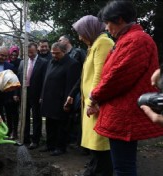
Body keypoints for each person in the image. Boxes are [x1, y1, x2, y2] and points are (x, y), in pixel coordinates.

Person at [88, 1, 163, 175]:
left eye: (108, 23)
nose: (107, 28)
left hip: (124, 114)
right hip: (122, 112)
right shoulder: (128, 40)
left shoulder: (136, 41)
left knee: (123, 168)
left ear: (119, 19)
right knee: (122, 165)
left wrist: (95, 96)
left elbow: (117, 77)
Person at [72, 15, 114, 176]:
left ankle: (98, 172)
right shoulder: (96, 44)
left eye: (81, 32)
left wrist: (93, 100)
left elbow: (99, 75)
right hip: (92, 102)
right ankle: (93, 169)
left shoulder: (103, 43)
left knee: (100, 143)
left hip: (97, 103)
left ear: (89, 30)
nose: (79, 37)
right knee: (95, 144)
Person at [40, 42, 81, 156]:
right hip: (49, 99)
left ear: (64, 52)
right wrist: (42, 96)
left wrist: (67, 102)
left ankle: (60, 147)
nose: (54, 55)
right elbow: (46, 81)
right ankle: (50, 144)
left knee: (61, 125)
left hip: (61, 100)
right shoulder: (51, 62)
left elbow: (71, 85)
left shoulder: (72, 64)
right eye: (52, 53)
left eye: (57, 53)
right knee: (49, 124)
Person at [17, 42, 47, 148]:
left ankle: (35, 140)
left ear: (36, 50)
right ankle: (24, 138)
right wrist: (17, 93)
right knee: (24, 116)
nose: (30, 54)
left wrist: (42, 96)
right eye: (28, 52)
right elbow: (18, 79)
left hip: (36, 94)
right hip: (24, 93)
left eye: (32, 52)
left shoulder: (43, 62)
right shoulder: (22, 63)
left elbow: (44, 81)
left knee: (36, 117)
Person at [4, 46, 22, 139]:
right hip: (6, 91)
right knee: (7, 112)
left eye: (16, 54)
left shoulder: (20, 63)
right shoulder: (6, 62)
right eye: (12, 54)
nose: (14, 56)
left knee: (15, 112)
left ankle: (15, 132)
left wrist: (16, 93)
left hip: (15, 90)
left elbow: (18, 78)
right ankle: (9, 130)